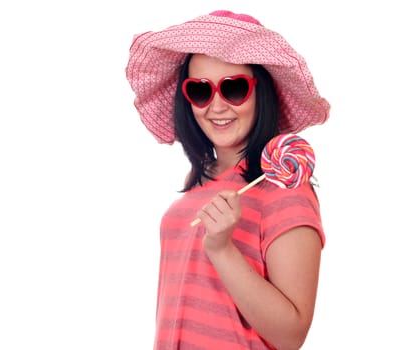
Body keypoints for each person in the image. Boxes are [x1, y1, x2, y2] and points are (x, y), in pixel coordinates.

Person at [126, 10, 330, 350]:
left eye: (234, 88)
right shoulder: (197, 185)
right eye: (200, 91)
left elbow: (291, 334)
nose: (217, 106)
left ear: (260, 93)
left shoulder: (284, 187)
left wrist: (221, 249)